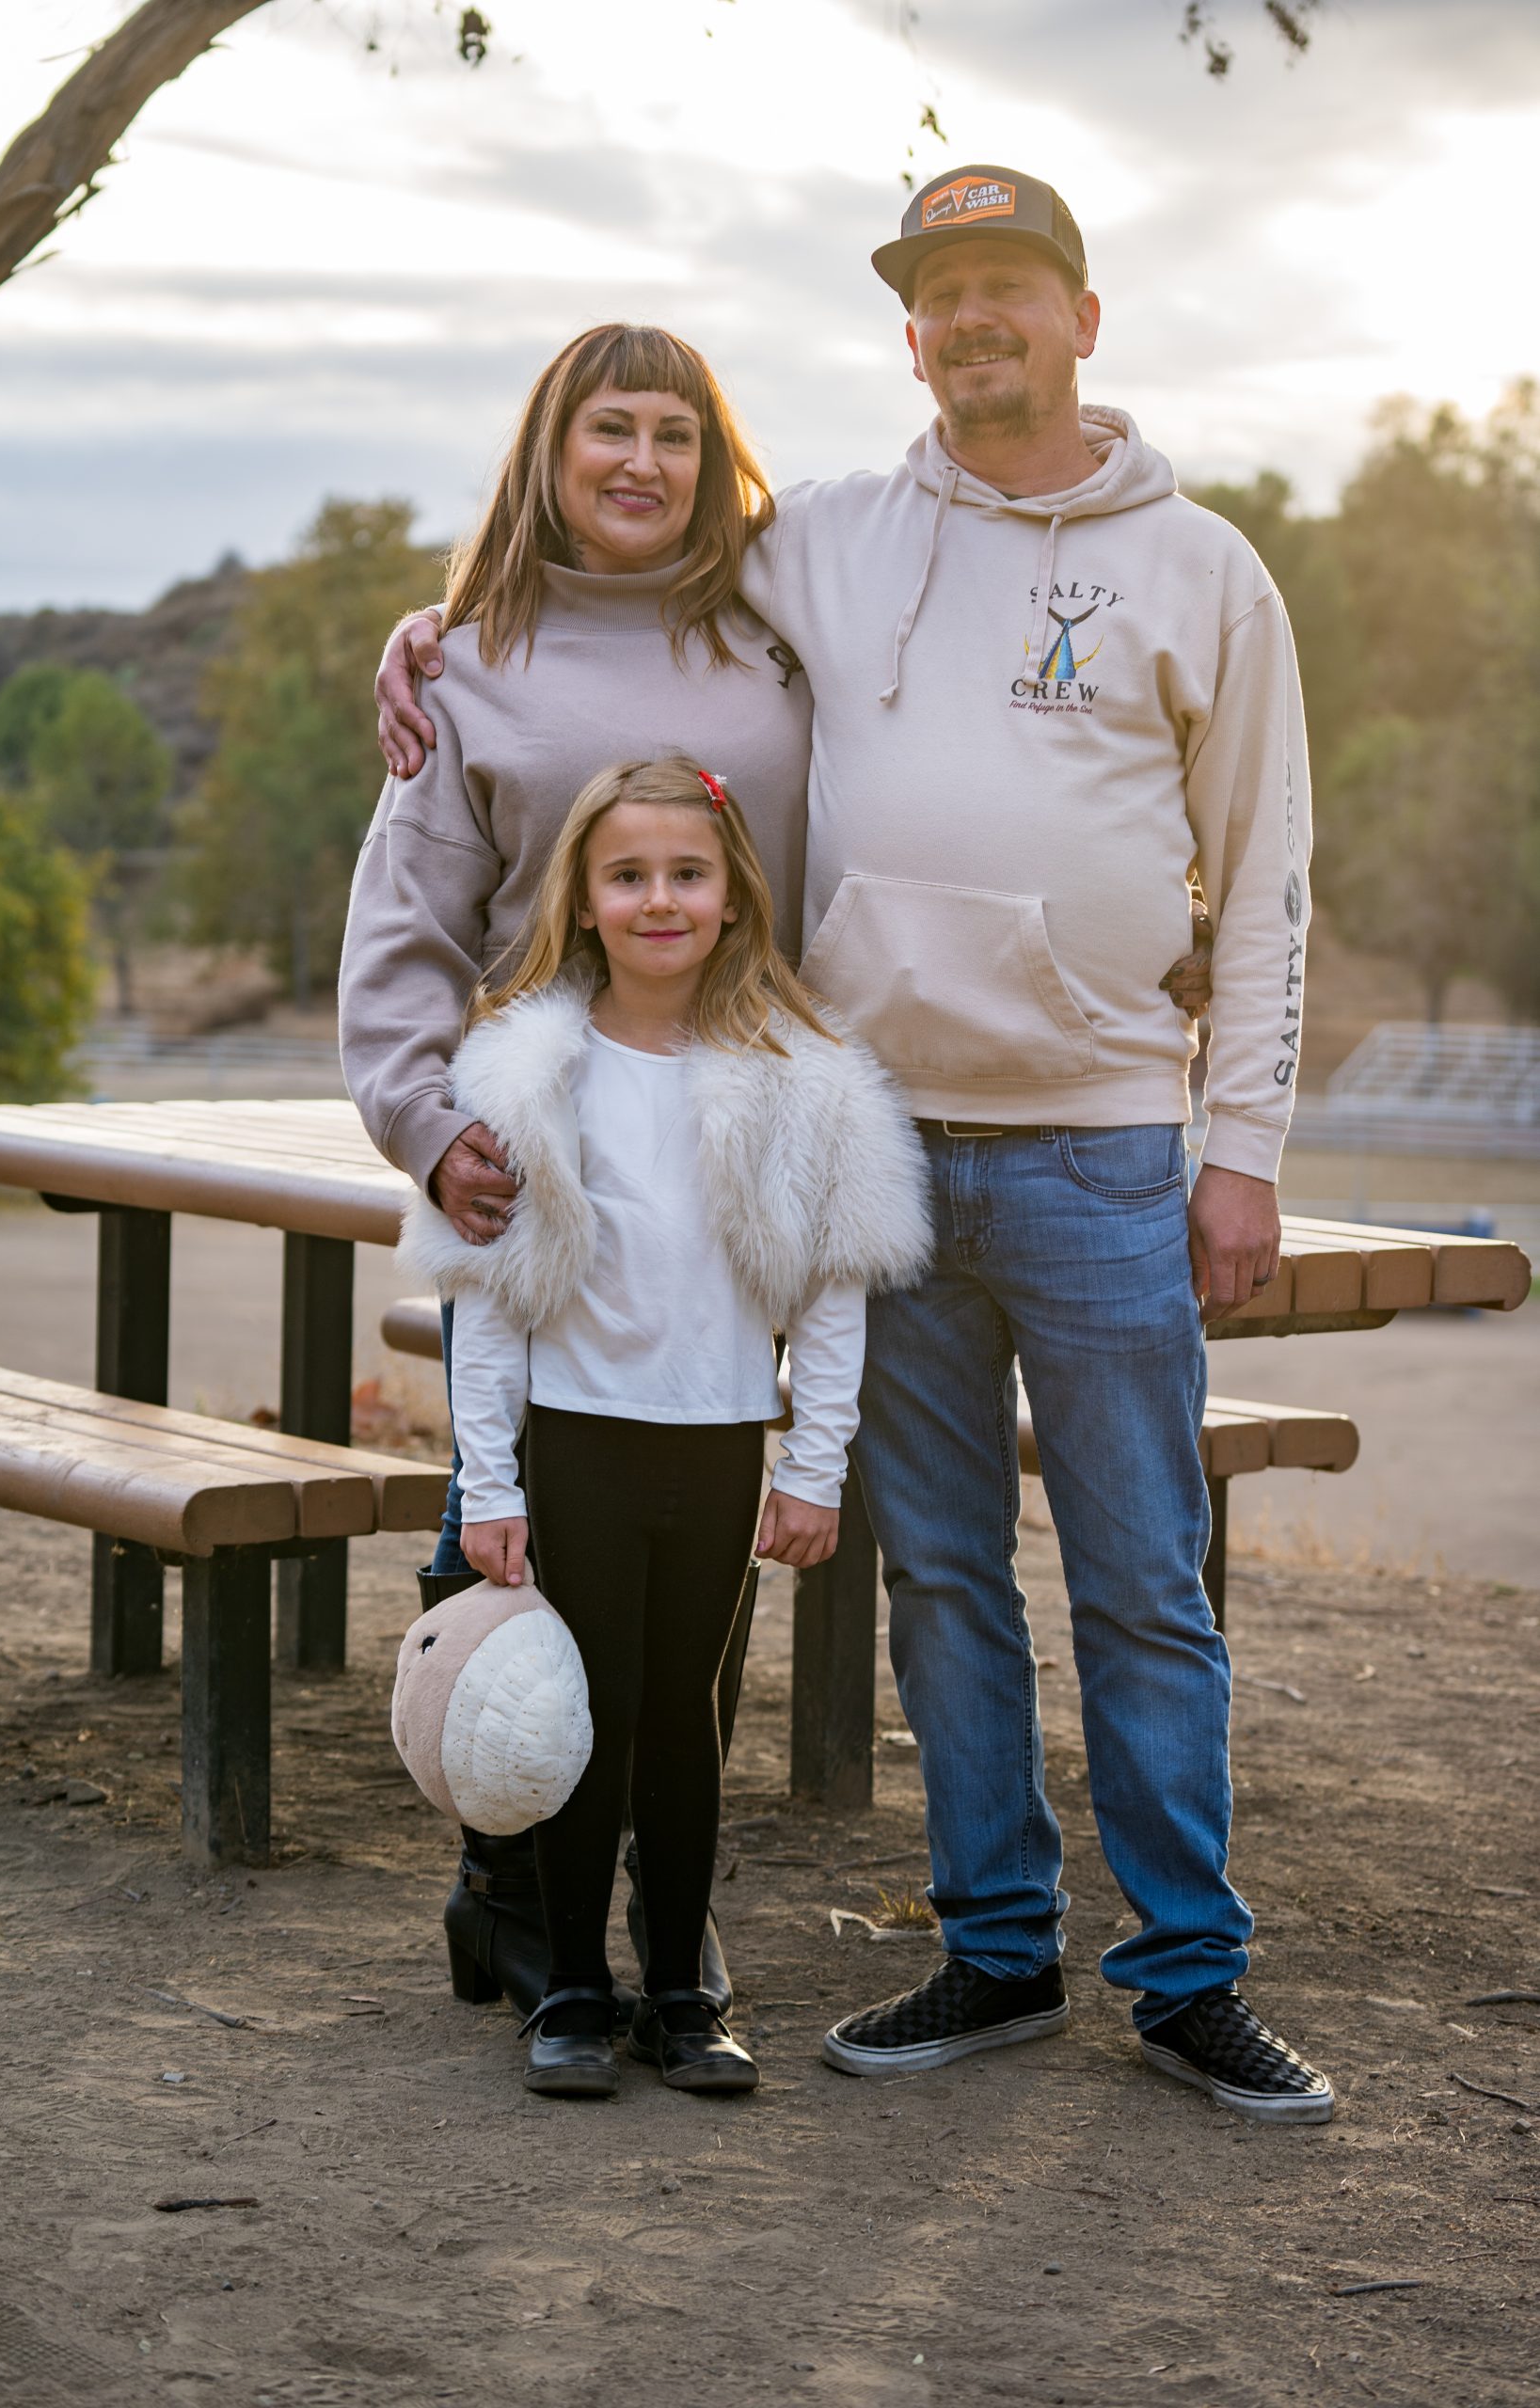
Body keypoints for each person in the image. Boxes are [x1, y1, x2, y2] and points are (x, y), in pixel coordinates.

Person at [374, 165, 1332, 2125]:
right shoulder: (820, 539)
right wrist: (442, 628)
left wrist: (1238, 1143)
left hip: (1096, 1149)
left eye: (1009, 286)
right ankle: (995, 1947)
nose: (973, 320)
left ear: (1081, 316)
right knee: (943, 1581)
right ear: (908, 336)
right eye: (940, 294)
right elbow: (613, 547)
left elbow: (1266, 881)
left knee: (1144, 1579)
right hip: (870, 1150)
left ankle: (1186, 1975)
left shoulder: (1203, 570)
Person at [404, 754, 931, 2097]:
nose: (659, 900)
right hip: (576, 1437)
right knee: (583, 1713)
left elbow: (834, 1294)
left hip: (716, 1440)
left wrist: (813, 1467)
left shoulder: (802, 1074)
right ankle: (574, 1988)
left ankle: (682, 1998)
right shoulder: (526, 1069)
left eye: (687, 874)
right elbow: (489, 1301)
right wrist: (489, 1485)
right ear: (581, 898)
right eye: (627, 875)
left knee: (685, 1718)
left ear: (732, 893)